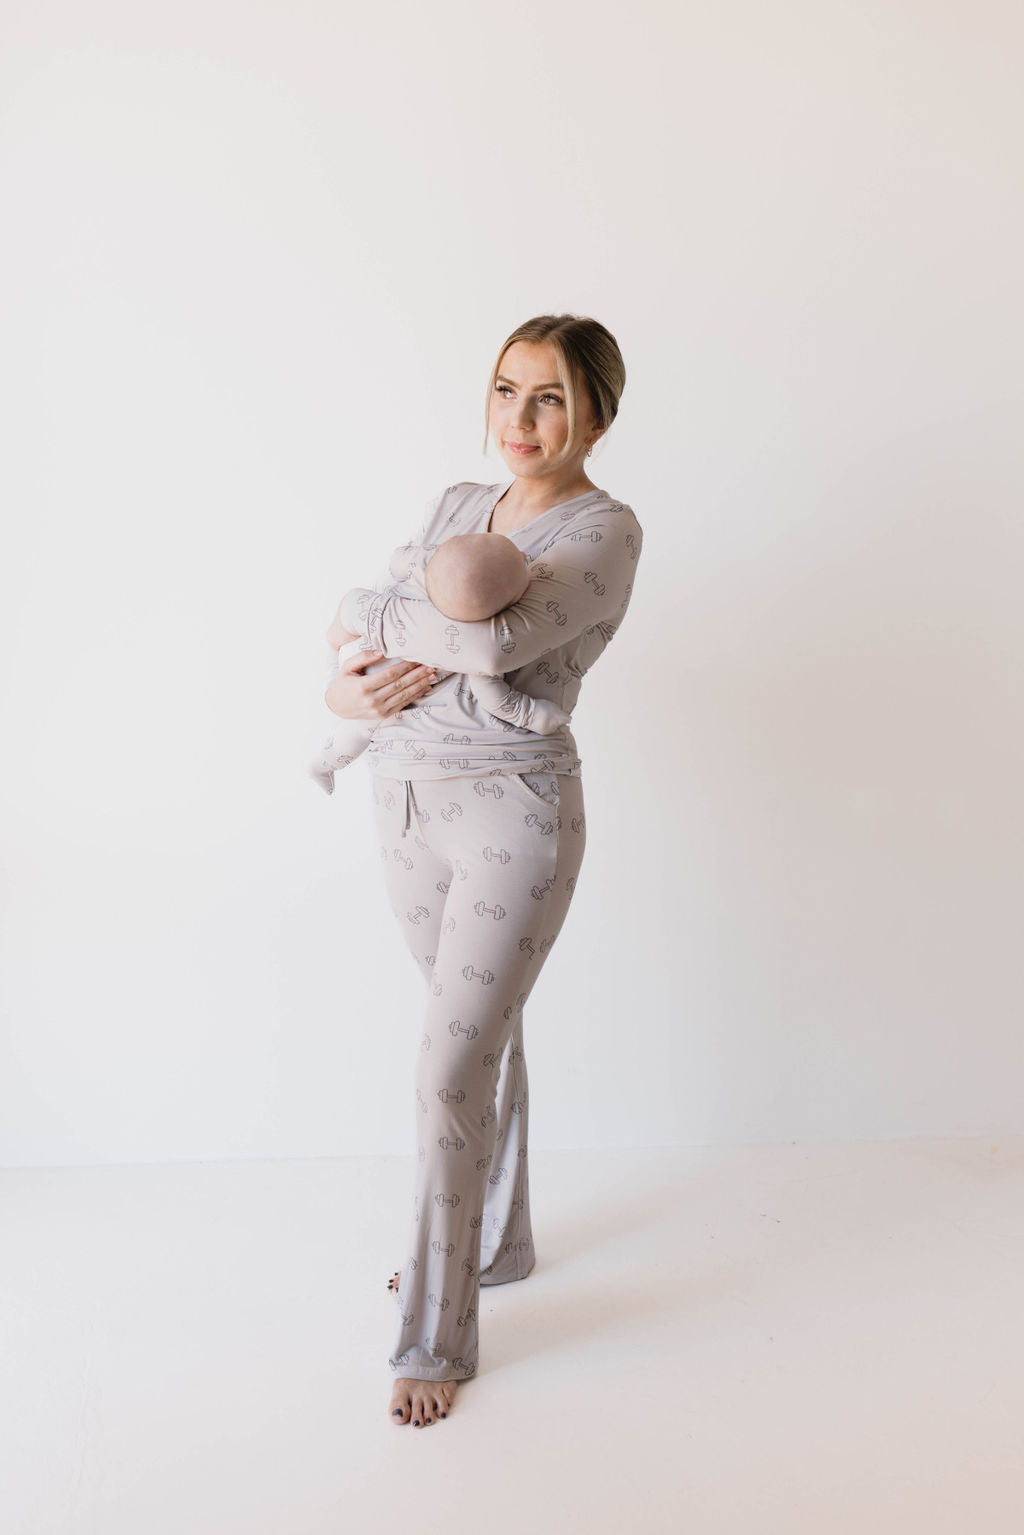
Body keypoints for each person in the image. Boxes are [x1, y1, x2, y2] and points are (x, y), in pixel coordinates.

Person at [320, 314, 644, 1430]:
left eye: (550, 396)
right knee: (474, 1040)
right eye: (507, 389)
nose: (521, 417)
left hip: (514, 808)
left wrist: (360, 609)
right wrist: (342, 686)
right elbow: (362, 648)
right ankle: (494, 1241)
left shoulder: (605, 528)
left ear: (597, 413)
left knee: (448, 1068)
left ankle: (435, 1336)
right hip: (403, 793)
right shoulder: (459, 504)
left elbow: (488, 643)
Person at [308, 532, 570, 795]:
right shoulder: (473, 645)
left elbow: (398, 559)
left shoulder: (421, 568)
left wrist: (339, 639)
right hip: (378, 681)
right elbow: (496, 699)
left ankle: (322, 762)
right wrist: (534, 716)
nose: (524, 555)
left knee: (350, 616)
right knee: (359, 730)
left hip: (357, 645)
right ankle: (323, 763)